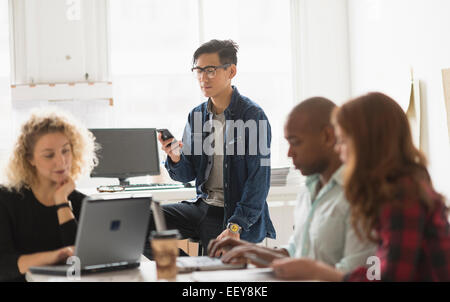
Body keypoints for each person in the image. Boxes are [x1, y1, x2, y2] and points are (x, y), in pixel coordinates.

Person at [268, 92, 450, 281]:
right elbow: (376, 270)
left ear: (367, 144)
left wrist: (316, 270)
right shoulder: (394, 189)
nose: (338, 149)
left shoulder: (402, 194)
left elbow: (390, 277)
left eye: (343, 141)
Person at [208, 97, 376, 273]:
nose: (289, 153)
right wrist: (250, 250)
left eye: (296, 142)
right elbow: (297, 252)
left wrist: (305, 268)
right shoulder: (308, 190)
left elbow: (358, 274)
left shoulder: (360, 196)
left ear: (328, 136)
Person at [144, 39, 275, 258]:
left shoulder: (252, 116)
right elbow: (186, 175)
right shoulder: (196, 116)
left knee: (218, 275)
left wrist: (236, 226)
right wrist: (175, 157)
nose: (203, 78)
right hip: (202, 207)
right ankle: (185, 269)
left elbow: (258, 180)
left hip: (233, 216)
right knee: (142, 222)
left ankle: (196, 272)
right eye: (199, 71)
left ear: (231, 71)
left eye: (211, 70)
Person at [0, 109, 98, 282]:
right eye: (49, 155)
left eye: (65, 151)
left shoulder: (80, 202)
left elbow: (80, 263)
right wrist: (52, 257)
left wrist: (61, 202)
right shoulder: (6, 199)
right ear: (30, 159)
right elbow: (4, 265)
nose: (61, 162)